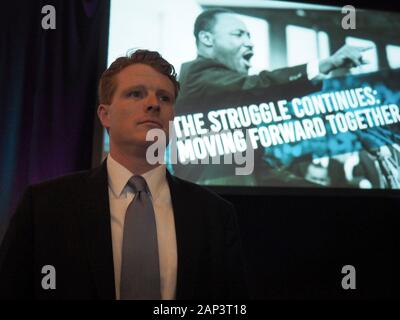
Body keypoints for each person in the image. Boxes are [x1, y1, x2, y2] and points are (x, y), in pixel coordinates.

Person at [0, 50, 248, 300]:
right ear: (104, 115)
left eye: (165, 98)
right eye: (136, 94)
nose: (153, 103)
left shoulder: (215, 215)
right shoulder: (44, 205)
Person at [173, 8, 371, 184]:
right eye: (238, 34)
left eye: (249, 35)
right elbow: (258, 85)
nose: (249, 43)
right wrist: (326, 64)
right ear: (207, 39)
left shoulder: (228, 99)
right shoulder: (198, 74)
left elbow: (259, 170)